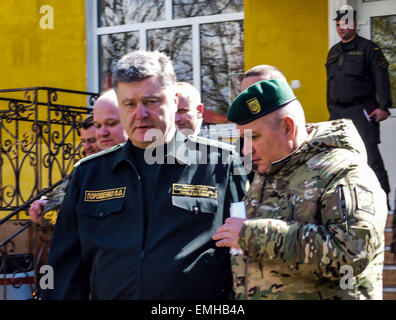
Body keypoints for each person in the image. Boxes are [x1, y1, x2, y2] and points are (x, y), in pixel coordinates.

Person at [41, 50, 246, 300]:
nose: (140, 114)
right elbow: (62, 267)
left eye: (151, 101)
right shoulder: (89, 173)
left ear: (173, 99)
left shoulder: (221, 165)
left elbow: (244, 260)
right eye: (129, 104)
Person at [212, 73, 388, 299]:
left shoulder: (343, 172)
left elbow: (352, 253)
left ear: (288, 127)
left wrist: (252, 235)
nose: (246, 150)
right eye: (243, 139)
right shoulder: (268, 170)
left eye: (254, 137)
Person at [29, 90, 127, 225]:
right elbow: (63, 201)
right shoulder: (85, 171)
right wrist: (44, 209)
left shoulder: (145, 162)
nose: (86, 147)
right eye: (83, 141)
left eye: (91, 140)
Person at [325, 6, 392, 199]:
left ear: (354, 24)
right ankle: (348, 202)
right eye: (338, 25)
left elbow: (381, 78)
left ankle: (384, 203)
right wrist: (330, 110)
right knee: (338, 158)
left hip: (362, 110)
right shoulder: (333, 52)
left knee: (370, 158)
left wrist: (383, 106)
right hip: (337, 112)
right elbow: (330, 83)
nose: (341, 28)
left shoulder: (369, 49)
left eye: (345, 24)